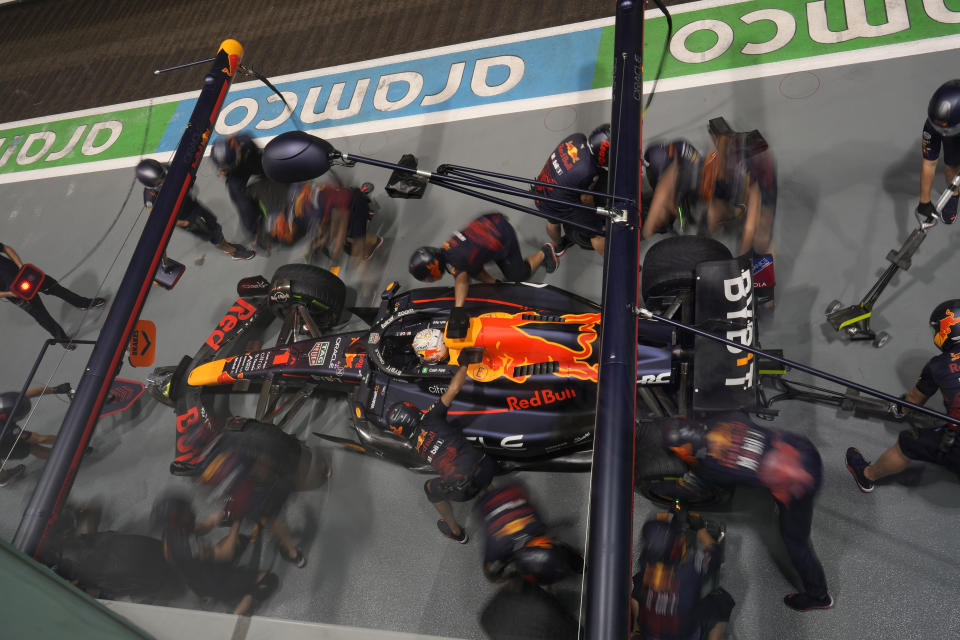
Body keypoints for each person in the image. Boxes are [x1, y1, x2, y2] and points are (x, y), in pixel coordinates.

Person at [662, 412, 832, 611]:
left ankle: (819, 596)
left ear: (685, 449)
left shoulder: (710, 468)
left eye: (675, 451)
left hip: (799, 485)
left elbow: (693, 487)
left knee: (796, 543)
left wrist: (665, 490)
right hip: (802, 448)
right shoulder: (724, 417)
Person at [846, 299, 960, 492]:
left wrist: (900, 408)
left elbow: (914, 402)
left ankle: (866, 476)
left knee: (908, 442)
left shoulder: (938, 365)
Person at [385, 364, 497, 543]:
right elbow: (454, 388)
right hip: (486, 467)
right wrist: (466, 364)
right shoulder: (431, 417)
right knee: (470, 457)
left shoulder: (415, 445)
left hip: (462, 491)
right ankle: (495, 498)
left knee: (429, 488)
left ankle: (456, 532)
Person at [408, 212, 557, 336]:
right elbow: (469, 269)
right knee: (472, 266)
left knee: (518, 275)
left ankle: (545, 252)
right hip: (489, 226)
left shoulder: (457, 258)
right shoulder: (447, 251)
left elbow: (463, 281)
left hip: (502, 235)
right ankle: (495, 284)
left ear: (432, 269)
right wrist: (492, 284)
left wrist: (457, 309)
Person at [643, 121, 776, 257]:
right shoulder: (701, 166)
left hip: (749, 189)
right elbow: (665, 190)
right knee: (708, 212)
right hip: (714, 183)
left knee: (760, 237)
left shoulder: (746, 178)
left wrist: (743, 255)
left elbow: (750, 224)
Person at [152, 494, 279, 615]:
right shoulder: (190, 547)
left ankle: (210, 591)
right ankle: (237, 612)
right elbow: (226, 554)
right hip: (215, 582)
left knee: (240, 541)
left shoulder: (171, 532)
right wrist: (236, 521)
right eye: (185, 512)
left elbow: (204, 527)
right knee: (268, 580)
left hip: (199, 576)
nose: (189, 512)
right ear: (179, 519)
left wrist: (220, 516)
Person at [631, 512, 734, 640]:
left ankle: (637, 630)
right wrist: (700, 529)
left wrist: (669, 519)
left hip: (652, 635)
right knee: (722, 600)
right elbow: (715, 557)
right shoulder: (689, 573)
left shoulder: (645, 566)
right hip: (685, 635)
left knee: (638, 587)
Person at [135, 159, 255, 260]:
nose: (165, 179)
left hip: (192, 204)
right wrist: (181, 223)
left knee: (214, 225)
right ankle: (233, 252)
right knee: (213, 235)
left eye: (163, 175)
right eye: (160, 180)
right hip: (186, 218)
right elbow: (159, 219)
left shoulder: (165, 170)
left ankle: (226, 245)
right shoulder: (150, 199)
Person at [0, 242, 105, 348]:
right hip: (15, 292)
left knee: (56, 289)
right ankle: (62, 339)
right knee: (42, 316)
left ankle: (84, 303)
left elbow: (5, 248)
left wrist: (21, 267)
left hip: (25, 275)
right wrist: (9, 293)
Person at [475, 482, 582, 584]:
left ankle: (576, 562)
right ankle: (577, 563)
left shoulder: (538, 526)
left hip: (510, 493)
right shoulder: (495, 550)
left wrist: (509, 578)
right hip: (494, 500)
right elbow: (490, 574)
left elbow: (491, 576)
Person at [532, 124, 610, 256]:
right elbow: (586, 198)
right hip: (558, 202)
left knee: (552, 220)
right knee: (598, 232)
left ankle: (558, 246)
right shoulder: (587, 170)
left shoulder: (577, 138)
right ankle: (612, 261)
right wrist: (594, 217)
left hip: (542, 187)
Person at [0, 384, 80, 487]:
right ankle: (70, 459)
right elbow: (40, 439)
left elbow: (25, 396)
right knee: (32, 447)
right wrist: (75, 443)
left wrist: (55, 389)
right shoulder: (7, 430)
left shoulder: (6, 402)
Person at [211, 134, 269, 239]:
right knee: (243, 204)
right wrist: (224, 171)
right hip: (236, 174)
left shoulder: (245, 141)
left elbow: (258, 154)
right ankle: (254, 232)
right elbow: (222, 170)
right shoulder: (216, 156)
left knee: (269, 167)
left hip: (250, 162)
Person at [918, 79, 960, 224]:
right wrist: (924, 201)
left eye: (944, 131)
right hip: (950, 129)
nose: (941, 134)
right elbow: (929, 164)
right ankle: (954, 194)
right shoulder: (933, 124)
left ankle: (953, 194)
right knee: (951, 166)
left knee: (953, 164)